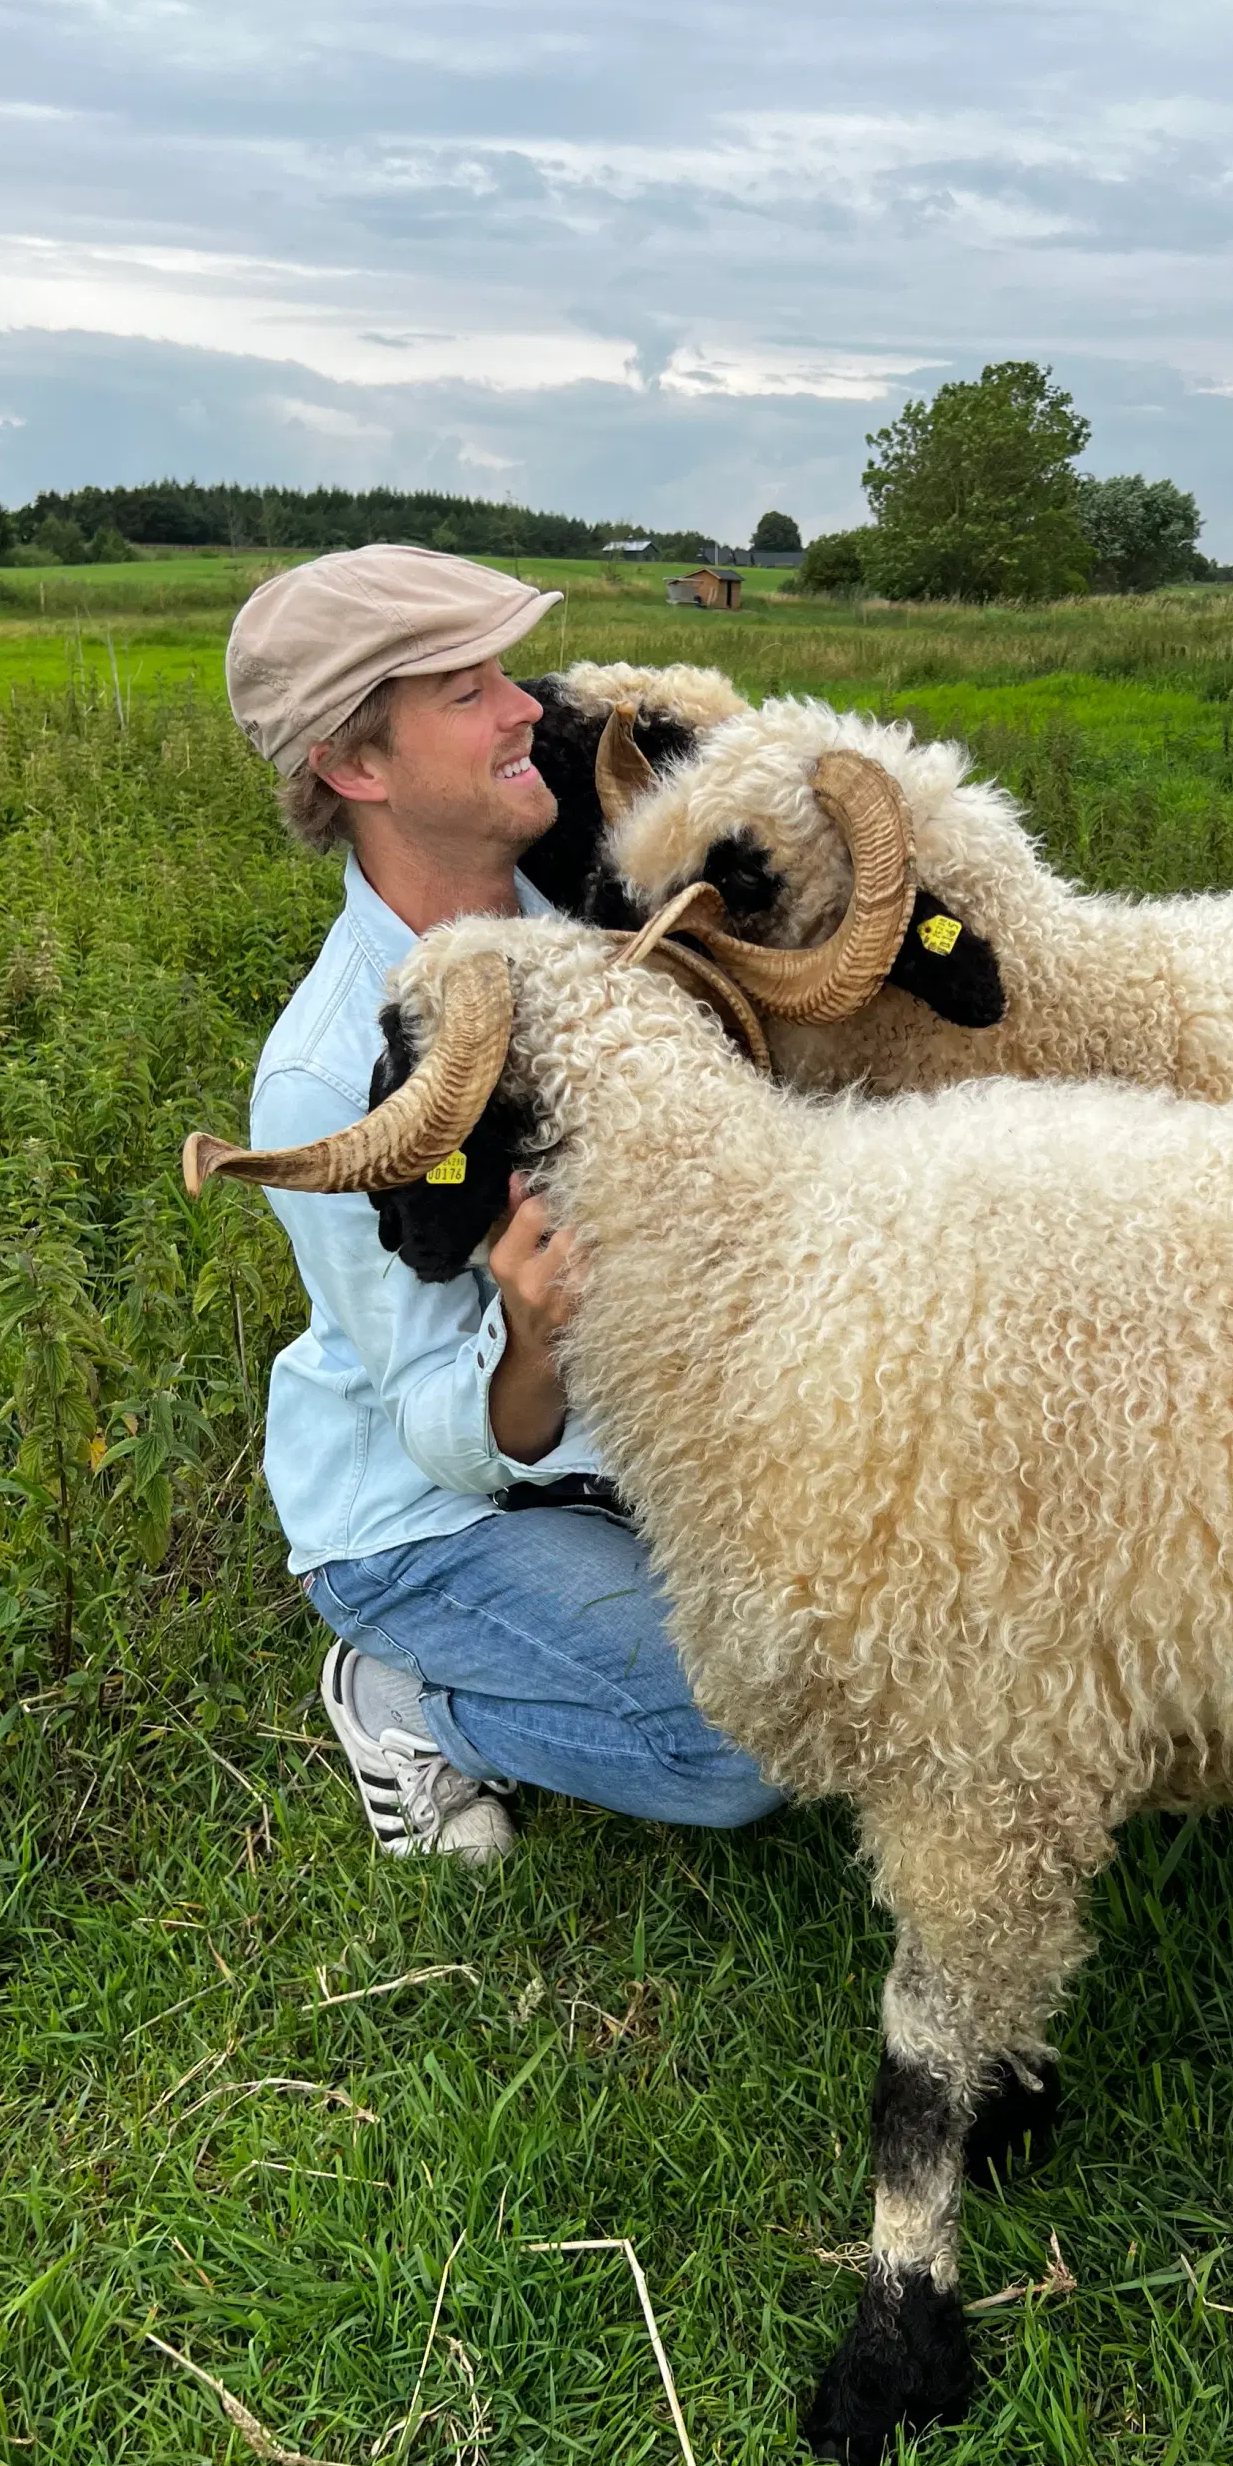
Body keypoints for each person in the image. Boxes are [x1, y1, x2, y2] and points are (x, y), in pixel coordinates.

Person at [225, 545, 781, 1862]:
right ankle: (409, 1706)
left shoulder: (597, 918)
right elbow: (436, 1426)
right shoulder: (328, 1081)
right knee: (745, 1737)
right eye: (466, 693)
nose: (526, 704)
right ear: (357, 768)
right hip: (433, 1508)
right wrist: (531, 1332)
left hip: (622, 1437)